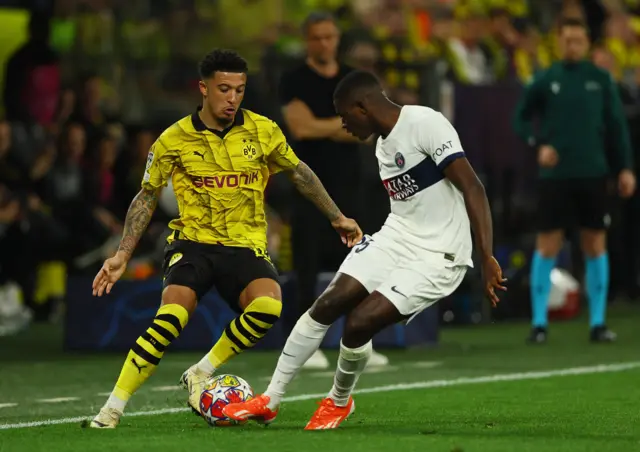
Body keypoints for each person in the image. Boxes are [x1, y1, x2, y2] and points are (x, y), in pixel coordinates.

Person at [88, 49, 362, 429]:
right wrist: (122, 254)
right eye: (223, 89)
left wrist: (337, 216)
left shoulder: (263, 131)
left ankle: (201, 370)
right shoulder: (174, 139)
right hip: (192, 245)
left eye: (239, 89)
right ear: (203, 89)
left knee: (269, 308)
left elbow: (298, 173)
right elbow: (146, 196)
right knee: (171, 317)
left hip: (244, 245)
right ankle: (112, 409)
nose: (232, 98)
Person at [222, 70, 506, 430]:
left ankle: (339, 401)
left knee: (359, 323)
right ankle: (270, 399)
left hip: (440, 253)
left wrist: (486, 256)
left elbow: (473, 187)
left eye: (344, 117)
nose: (344, 126)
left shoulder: (425, 122)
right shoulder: (382, 145)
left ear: (362, 107)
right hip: (397, 237)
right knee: (326, 304)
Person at [513, 18, 636, 344]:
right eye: (567, 40)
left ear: (587, 44)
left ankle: (598, 322)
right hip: (555, 176)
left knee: (595, 243)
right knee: (548, 243)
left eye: (578, 41)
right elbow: (521, 118)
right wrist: (538, 144)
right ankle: (539, 323)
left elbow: (616, 128)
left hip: (593, 172)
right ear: (558, 41)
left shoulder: (600, 79)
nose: (573, 46)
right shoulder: (546, 79)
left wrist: (624, 168)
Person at [279, 11, 387, 369]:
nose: (324, 43)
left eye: (329, 37)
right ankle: (305, 347)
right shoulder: (294, 79)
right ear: (308, 40)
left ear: (337, 39)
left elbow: (367, 126)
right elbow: (300, 129)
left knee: (358, 262)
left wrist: (319, 123)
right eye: (317, 37)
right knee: (307, 264)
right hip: (308, 183)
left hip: (351, 183)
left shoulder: (353, 79)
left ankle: (357, 342)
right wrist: (339, 124)